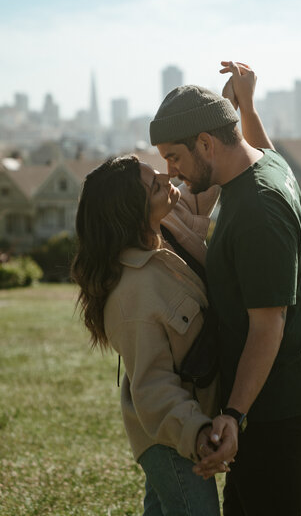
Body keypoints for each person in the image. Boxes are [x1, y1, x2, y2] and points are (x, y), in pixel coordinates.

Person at [150, 61, 301, 516]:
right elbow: (265, 149)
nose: (170, 172)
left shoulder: (257, 212)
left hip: (276, 405)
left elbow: (267, 325)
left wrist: (232, 414)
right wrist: (247, 106)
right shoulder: (263, 168)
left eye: (174, 156)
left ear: (207, 143)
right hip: (281, 394)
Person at [71, 155, 227, 516]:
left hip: (181, 426)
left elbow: (207, 181)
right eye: (154, 183)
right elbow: (152, 388)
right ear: (132, 213)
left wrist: (229, 114)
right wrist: (198, 435)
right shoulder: (133, 294)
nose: (165, 174)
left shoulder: (166, 228)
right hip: (171, 437)